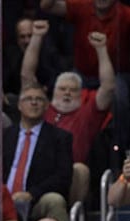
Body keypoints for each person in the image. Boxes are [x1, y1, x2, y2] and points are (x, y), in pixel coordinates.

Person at [21, 19, 115, 207]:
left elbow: (108, 87)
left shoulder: (88, 113)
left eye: (72, 90)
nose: (66, 93)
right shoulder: (41, 107)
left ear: (81, 94)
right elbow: (27, 77)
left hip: (67, 179)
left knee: (80, 170)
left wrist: (101, 49)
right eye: (62, 89)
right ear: (52, 92)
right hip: (36, 175)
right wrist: (37, 37)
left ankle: (73, 220)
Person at [2, 83, 73, 221]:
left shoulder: (60, 137)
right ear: (19, 105)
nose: (34, 102)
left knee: (55, 200)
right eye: (28, 99)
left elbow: (63, 177)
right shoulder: (4, 136)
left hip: (36, 199)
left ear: (47, 105)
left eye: (39, 99)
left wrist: (31, 194)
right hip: (3, 198)